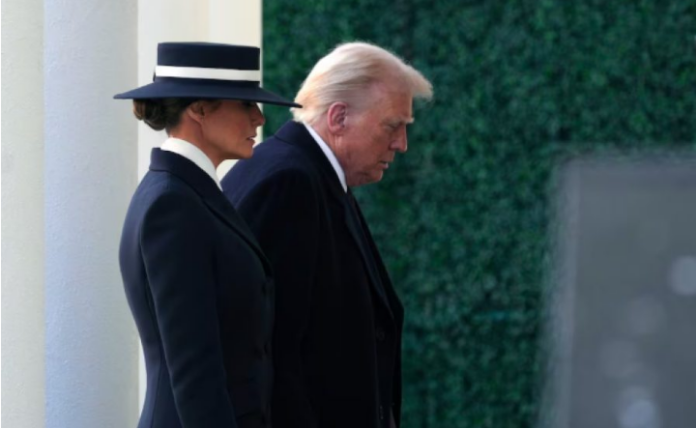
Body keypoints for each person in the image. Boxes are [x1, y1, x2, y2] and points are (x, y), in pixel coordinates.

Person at [222, 42, 433, 428]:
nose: (402, 144)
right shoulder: (289, 182)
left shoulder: (315, 176)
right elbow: (265, 351)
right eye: (392, 125)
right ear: (338, 117)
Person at [115, 42, 299, 428]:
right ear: (199, 110)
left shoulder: (188, 193)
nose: (259, 118)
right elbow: (194, 371)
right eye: (245, 104)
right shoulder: (174, 204)